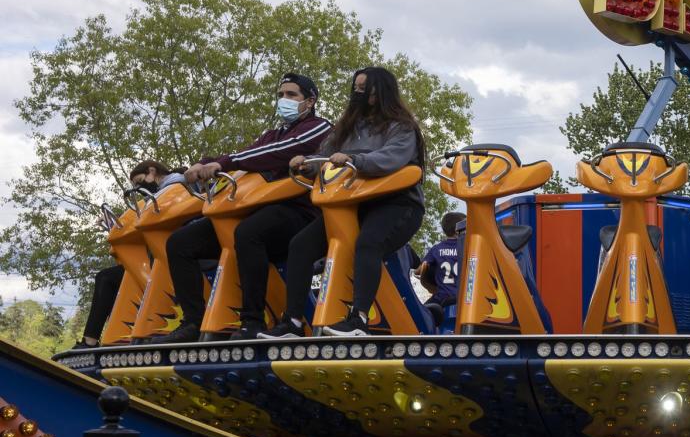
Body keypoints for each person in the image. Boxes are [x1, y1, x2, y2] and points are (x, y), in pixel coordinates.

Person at [156, 73, 332, 342]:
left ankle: (252, 321)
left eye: (291, 95)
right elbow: (248, 154)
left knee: (249, 233)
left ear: (309, 101)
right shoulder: (272, 134)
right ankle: (193, 322)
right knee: (181, 242)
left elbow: (279, 152)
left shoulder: (319, 127)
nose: (283, 100)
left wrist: (223, 163)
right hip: (255, 206)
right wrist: (205, 163)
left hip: (298, 211)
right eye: (280, 95)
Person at [262, 66, 426, 338]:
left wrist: (354, 160)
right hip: (353, 205)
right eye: (356, 88)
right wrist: (306, 166)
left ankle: (359, 319)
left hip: (396, 205)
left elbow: (390, 159)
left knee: (368, 242)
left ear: (381, 91)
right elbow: (325, 157)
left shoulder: (402, 128)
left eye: (365, 89)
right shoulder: (346, 129)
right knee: (300, 245)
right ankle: (292, 321)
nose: (358, 94)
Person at [73, 160, 187, 349]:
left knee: (109, 278)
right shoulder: (156, 195)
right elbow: (142, 222)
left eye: (139, 181)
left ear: (152, 171)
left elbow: (157, 216)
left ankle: (110, 337)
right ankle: (96, 340)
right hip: (158, 255)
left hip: (172, 254)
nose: (138, 187)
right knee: (106, 278)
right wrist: (113, 225)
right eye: (135, 185)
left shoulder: (176, 185)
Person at [418, 211, 465, 309]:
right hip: (464, 297)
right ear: (458, 230)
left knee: (422, 313)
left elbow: (420, 270)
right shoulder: (467, 248)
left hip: (442, 297)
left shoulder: (437, 248)